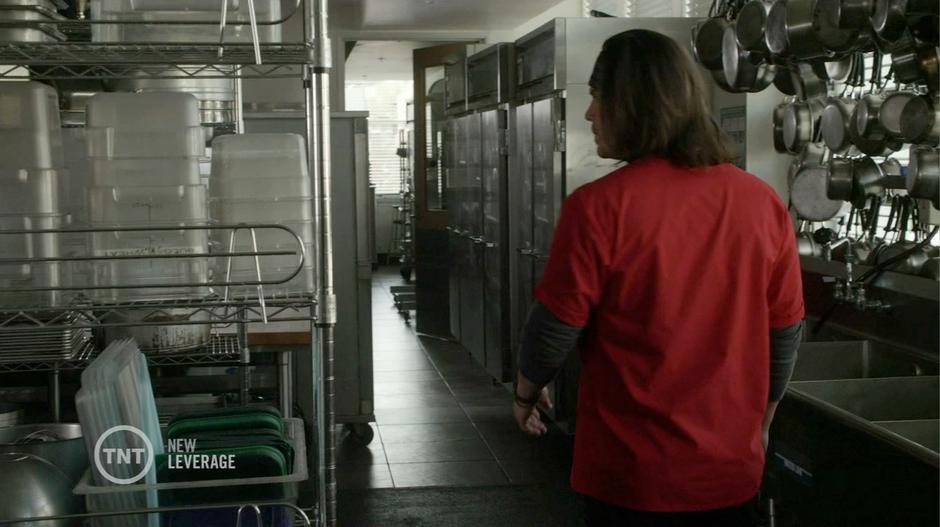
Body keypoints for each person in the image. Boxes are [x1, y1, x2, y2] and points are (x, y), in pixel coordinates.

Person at [511, 29, 805, 527]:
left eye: (597, 98)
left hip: (631, 476)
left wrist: (525, 392)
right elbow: (784, 332)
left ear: (632, 104)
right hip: (729, 474)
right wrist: (764, 421)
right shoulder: (763, 204)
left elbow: (556, 325)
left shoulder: (599, 207)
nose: (589, 114)